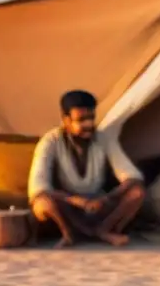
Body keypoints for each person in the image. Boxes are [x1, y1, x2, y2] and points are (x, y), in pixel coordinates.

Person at [28, 90, 146, 247]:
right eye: (81, 120)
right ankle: (68, 234)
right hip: (68, 205)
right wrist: (75, 200)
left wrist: (107, 198)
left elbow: (132, 176)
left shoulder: (103, 137)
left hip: (98, 204)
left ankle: (104, 230)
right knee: (42, 204)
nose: (88, 125)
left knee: (137, 192)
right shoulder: (50, 141)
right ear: (66, 120)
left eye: (91, 118)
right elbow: (38, 187)